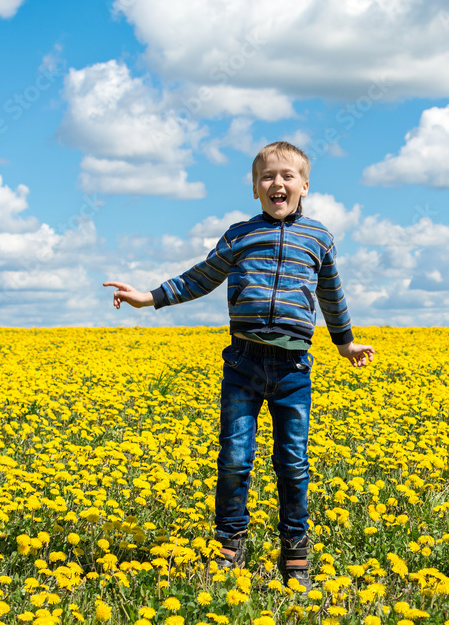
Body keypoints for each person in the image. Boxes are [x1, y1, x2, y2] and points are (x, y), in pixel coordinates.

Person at [104, 141, 375, 591]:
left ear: (305, 185)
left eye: (288, 176)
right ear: (255, 187)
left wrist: (344, 344)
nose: (278, 183)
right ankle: (228, 546)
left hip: (294, 369)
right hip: (243, 363)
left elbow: (332, 294)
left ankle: (295, 553)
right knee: (234, 458)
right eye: (267, 177)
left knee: (293, 462)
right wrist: (150, 296)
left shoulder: (320, 238)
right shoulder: (239, 234)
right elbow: (201, 277)